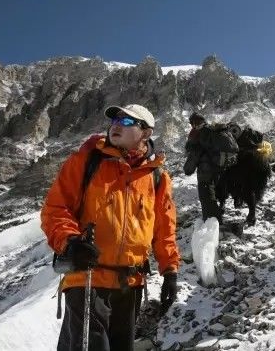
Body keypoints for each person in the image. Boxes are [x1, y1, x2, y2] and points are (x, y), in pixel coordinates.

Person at [41, 104, 180, 351]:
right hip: (88, 276)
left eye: (127, 122)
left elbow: (164, 228)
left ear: (146, 133)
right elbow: (56, 208)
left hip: (131, 284)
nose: (116, 124)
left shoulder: (157, 177)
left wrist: (169, 269)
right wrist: (71, 242)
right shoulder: (87, 160)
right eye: (115, 120)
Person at [183, 112, 238, 223]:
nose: (192, 125)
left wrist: (187, 169)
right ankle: (217, 215)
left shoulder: (199, 133)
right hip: (219, 169)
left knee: (207, 198)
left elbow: (195, 154)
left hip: (206, 172)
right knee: (215, 194)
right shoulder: (212, 131)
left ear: (194, 123)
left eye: (192, 123)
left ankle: (213, 224)